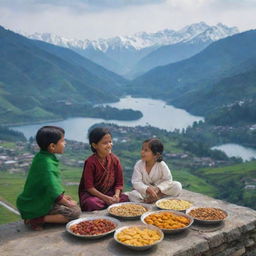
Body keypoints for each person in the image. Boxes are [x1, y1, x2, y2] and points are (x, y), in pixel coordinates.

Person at [16, 126, 81, 230]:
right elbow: (52, 189)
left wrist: (63, 198)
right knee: (75, 212)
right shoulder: (47, 164)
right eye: (63, 141)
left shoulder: (42, 156)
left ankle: (37, 218)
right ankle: (36, 220)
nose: (65, 144)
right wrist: (66, 203)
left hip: (34, 201)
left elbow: (48, 186)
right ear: (52, 146)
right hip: (37, 204)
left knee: (71, 203)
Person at [79, 127, 129, 211]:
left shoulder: (115, 160)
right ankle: (109, 205)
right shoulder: (90, 162)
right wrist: (106, 198)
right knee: (90, 203)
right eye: (105, 143)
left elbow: (119, 183)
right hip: (93, 195)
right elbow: (89, 187)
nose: (109, 145)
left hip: (109, 193)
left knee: (126, 198)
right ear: (95, 145)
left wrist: (116, 195)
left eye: (110, 142)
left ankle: (109, 204)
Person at [128, 138, 182, 203]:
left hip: (160, 191)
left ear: (156, 155)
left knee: (177, 186)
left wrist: (158, 188)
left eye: (146, 150)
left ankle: (157, 197)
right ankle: (145, 201)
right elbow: (136, 182)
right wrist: (146, 189)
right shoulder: (139, 164)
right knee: (132, 194)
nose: (142, 152)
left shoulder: (161, 165)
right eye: (142, 149)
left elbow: (168, 180)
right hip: (145, 192)